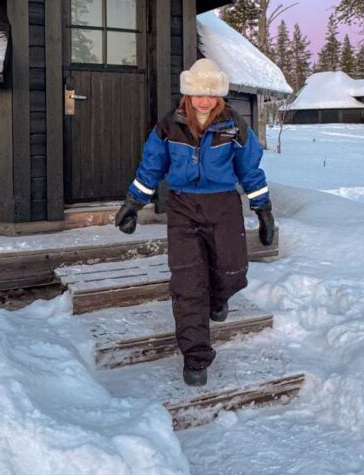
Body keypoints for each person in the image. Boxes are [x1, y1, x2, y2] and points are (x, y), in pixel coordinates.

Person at [115, 57, 275, 388]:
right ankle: (196, 356)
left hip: (223, 206)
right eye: (198, 94)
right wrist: (134, 202)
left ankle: (219, 299)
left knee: (233, 271)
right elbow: (151, 166)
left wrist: (263, 208)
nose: (204, 100)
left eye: (211, 94)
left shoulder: (234, 125)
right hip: (183, 207)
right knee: (188, 284)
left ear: (219, 95)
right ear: (188, 94)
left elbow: (250, 170)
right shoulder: (169, 126)